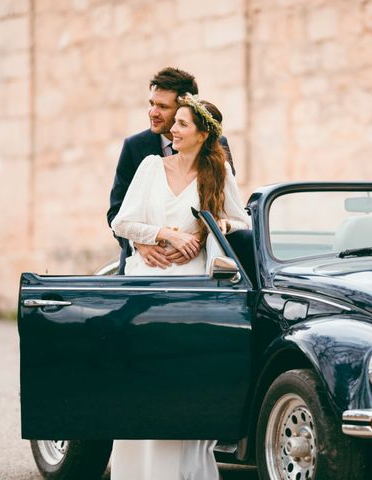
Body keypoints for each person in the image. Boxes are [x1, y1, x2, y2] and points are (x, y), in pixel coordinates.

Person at [109, 94, 250, 479]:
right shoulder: (151, 166)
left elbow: (242, 222)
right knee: (144, 387)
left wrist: (215, 229)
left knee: (181, 389)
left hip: (192, 290)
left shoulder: (218, 174)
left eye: (183, 124)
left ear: (203, 134)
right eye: (176, 123)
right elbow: (121, 222)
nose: (173, 129)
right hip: (146, 288)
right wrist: (163, 234)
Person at [107, 67, 235, 274]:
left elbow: (221, 205)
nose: (153, 112)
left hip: (193, 268)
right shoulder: (135, 147)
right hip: (146, 265)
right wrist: (142, 243)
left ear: (184, 106)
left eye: (162, 107)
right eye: (151, 104)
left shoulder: (216, 146)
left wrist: (199, 239)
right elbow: (117, 213)